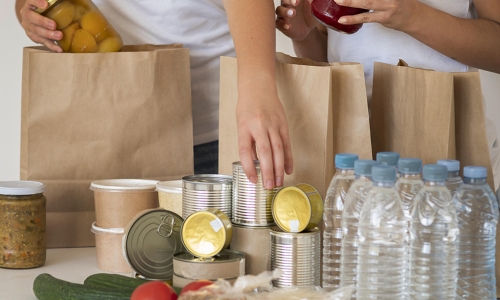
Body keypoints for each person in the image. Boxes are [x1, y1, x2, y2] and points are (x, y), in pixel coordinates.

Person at [222, 0, 500, 196]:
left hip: (445, 160)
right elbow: (333, 58)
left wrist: (412, 15)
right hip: (352, 158)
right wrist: (305, 36)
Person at [16, 0, 236, 174]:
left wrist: (259, 88)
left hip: (214, 129)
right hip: (107, 132)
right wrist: (32, 15)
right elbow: (27, 4)